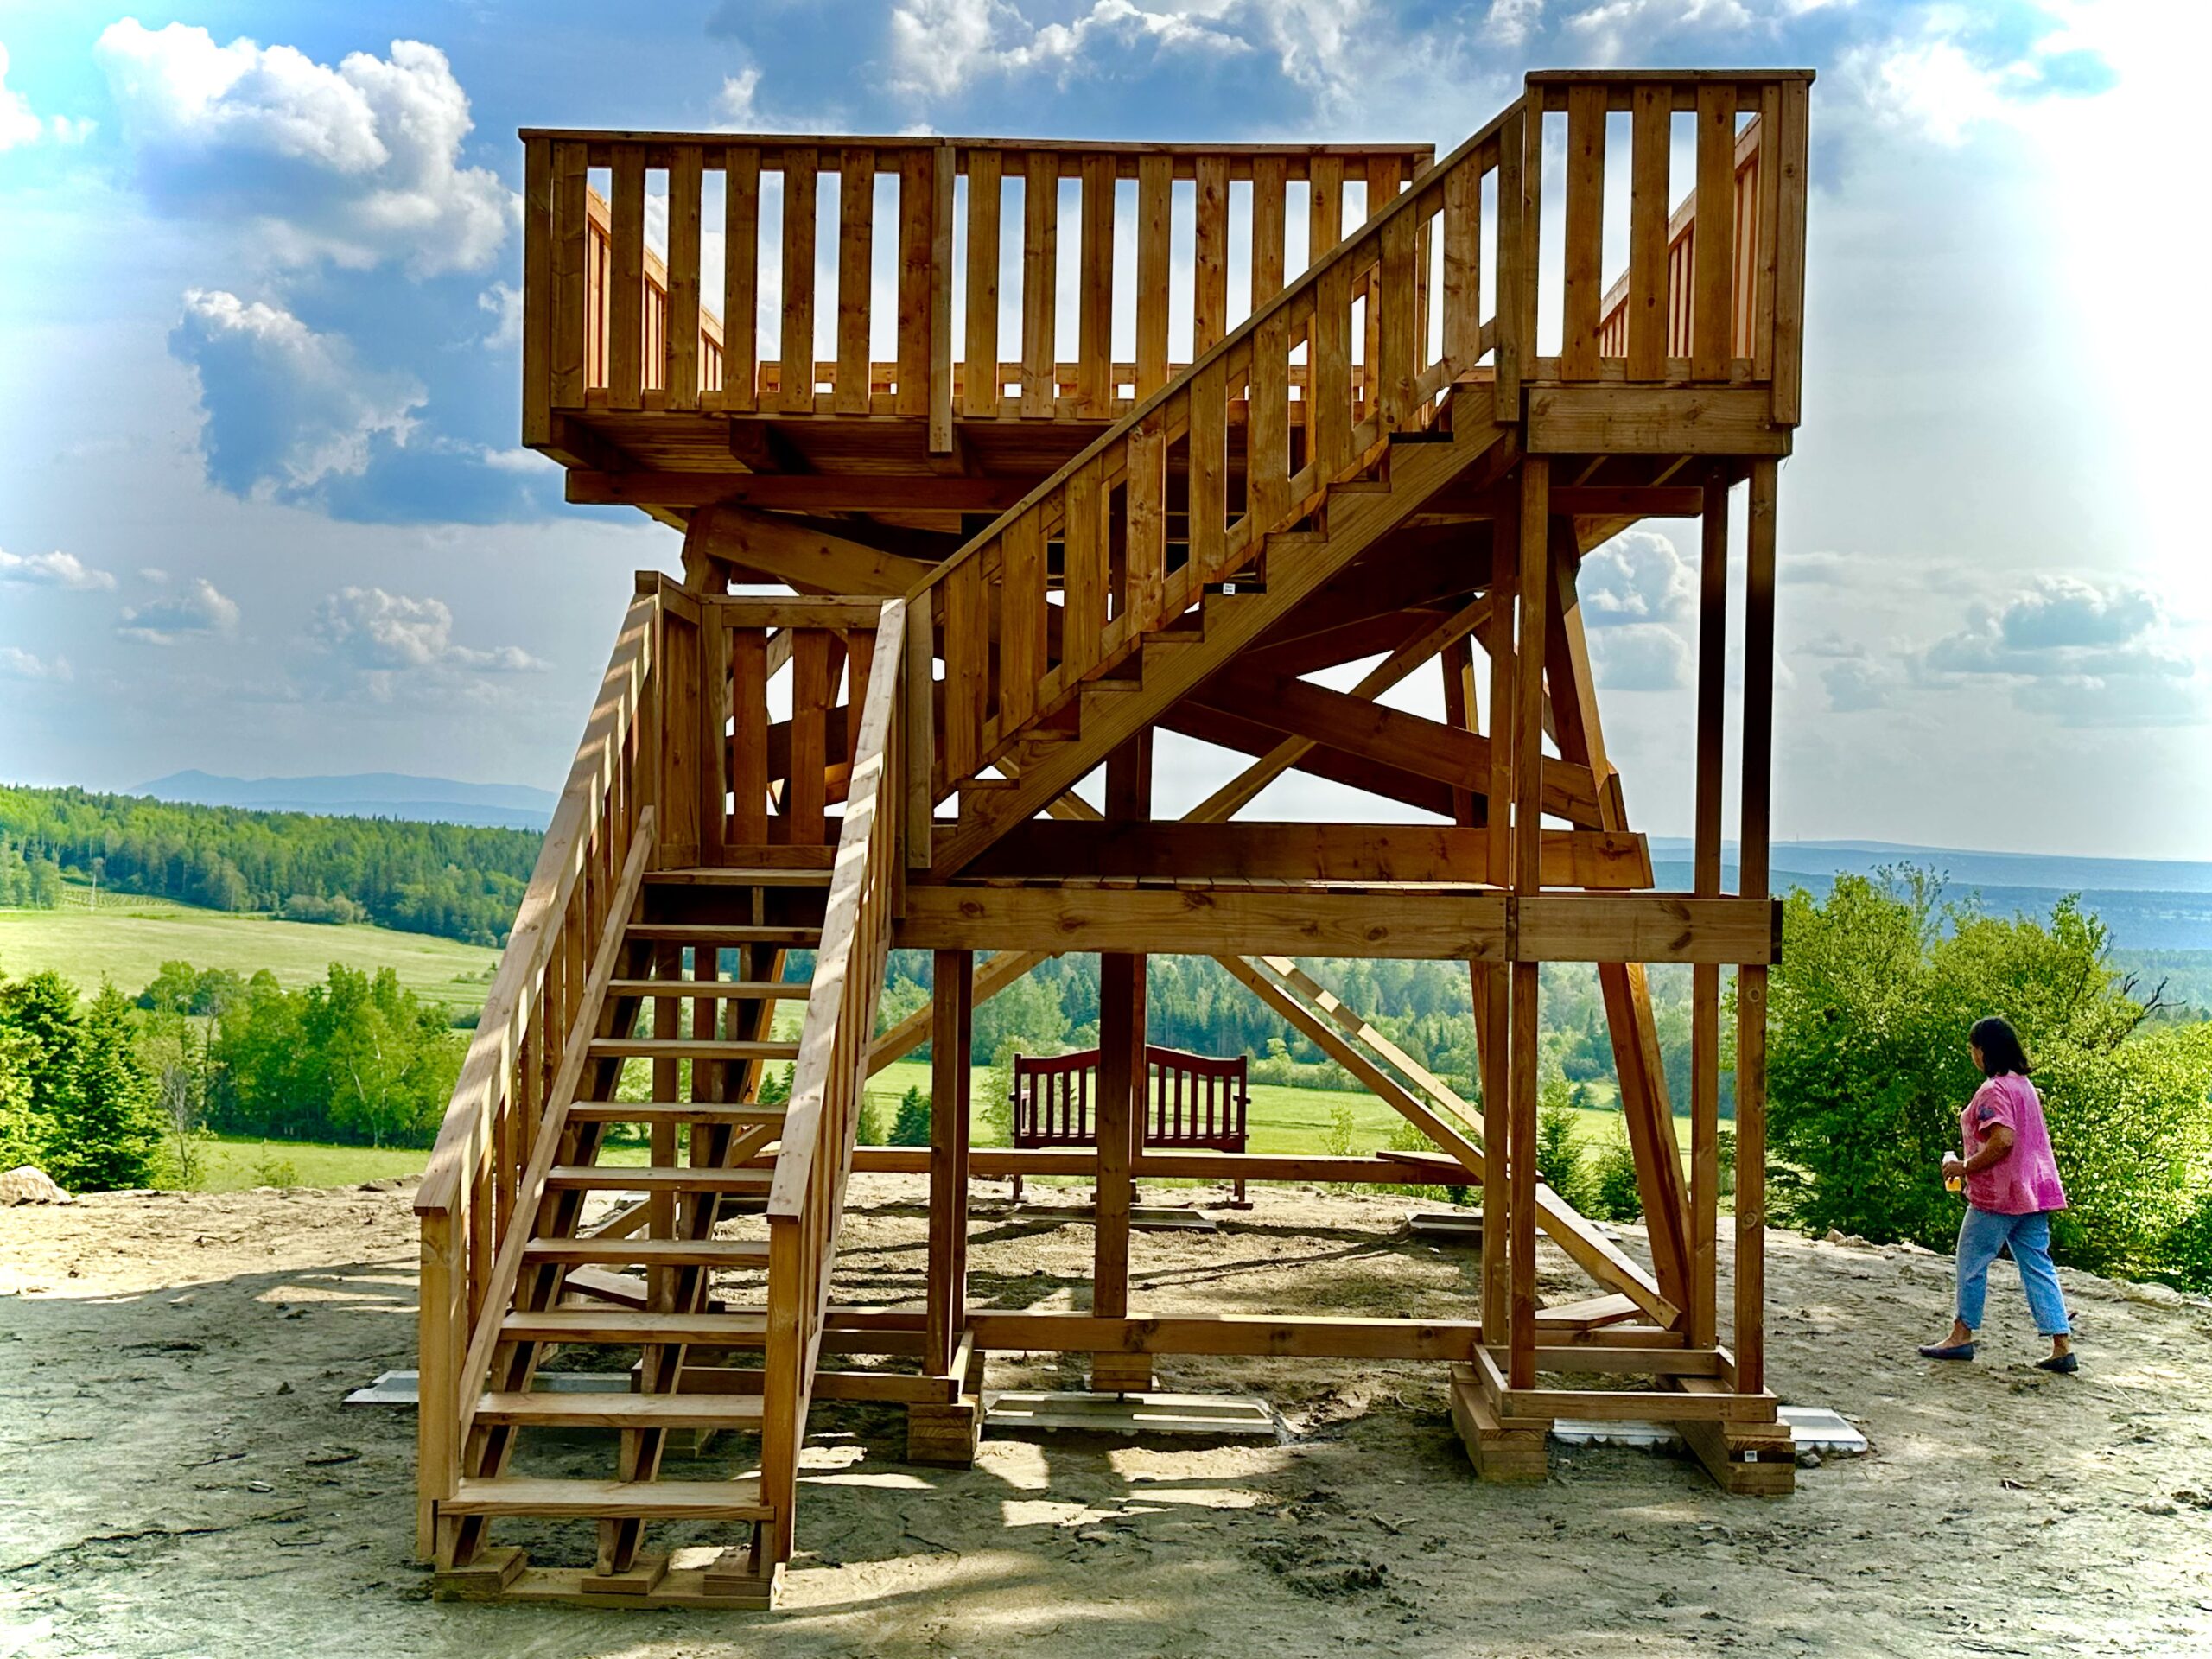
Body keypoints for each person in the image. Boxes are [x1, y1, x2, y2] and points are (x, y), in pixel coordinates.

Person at [1918, 1017, 2076, 1373]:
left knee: (1971, 1258)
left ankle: (1961, 1335)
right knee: (2038, 1264)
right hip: (2035, 1191)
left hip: (1999, 1194)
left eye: (1973, 1048)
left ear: (1983, 1051)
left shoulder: (1993, 1090)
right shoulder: (2024, 1086)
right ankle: (2061, 1343)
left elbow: (2003, 1140)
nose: (1972, 1055)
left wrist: (1965, 1167)